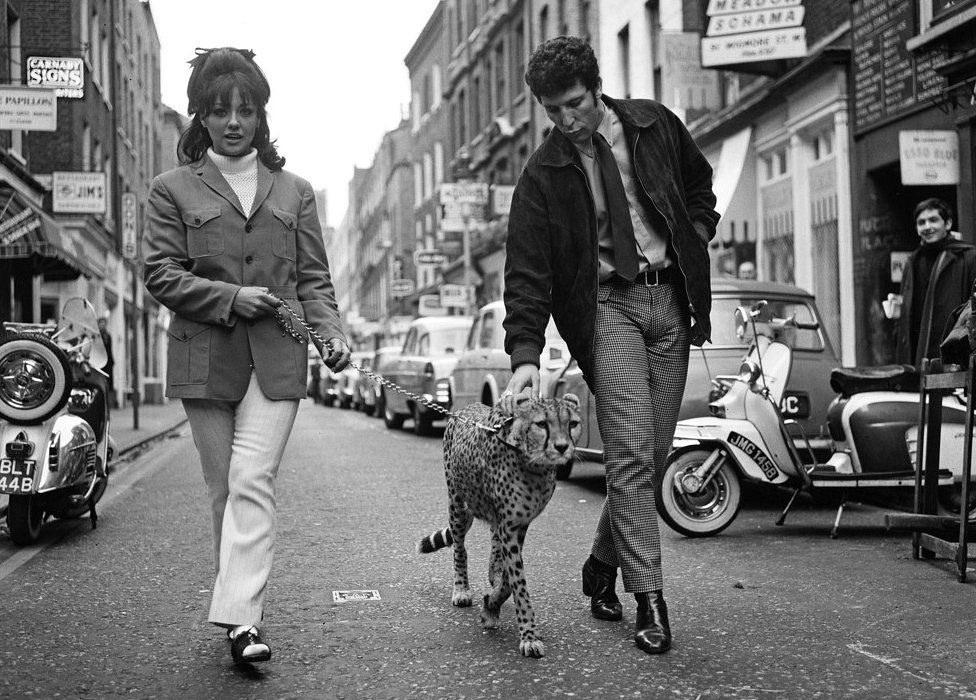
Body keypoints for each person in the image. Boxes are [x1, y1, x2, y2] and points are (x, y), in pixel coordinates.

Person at [501, 37, 718, 655]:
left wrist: (693, 239)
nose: (567, 120)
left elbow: (701, 188)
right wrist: (523, 354)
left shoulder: (653, 124)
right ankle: (649, 597)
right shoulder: (542, 174)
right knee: (628, 453)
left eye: (574, 104)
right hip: (607, 308)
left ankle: (601, 566)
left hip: (670, 303)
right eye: (553, 111)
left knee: (648, 451)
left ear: (597, 88)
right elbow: (527, 272)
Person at [142, 47, 350, 665]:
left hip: (279, 358)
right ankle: (238, 608)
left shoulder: (296, 191)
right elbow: (159, 273)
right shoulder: (170, 190)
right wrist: (233, 297)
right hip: (205, 356)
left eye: (247, 110)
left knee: (252, 480)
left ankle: (242, 623)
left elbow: (314, 279)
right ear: (200, 117)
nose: (235, 121)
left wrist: (331, 333)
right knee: (221, 490)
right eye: (220, 110)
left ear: (262, 116)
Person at [894, 198, 976, 367]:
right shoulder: (912, 262)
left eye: (933, 220)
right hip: (918, 353)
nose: (927, 227)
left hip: (952, 351)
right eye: (921, 222)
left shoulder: (967, 256)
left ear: (947, 224)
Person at [97, 317, 115, 408]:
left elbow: (109, 350)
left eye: (104, 324)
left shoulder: (108, 336)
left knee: (108, 385)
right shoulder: (96, 336)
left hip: (108, 364)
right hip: (99, 364)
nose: (102, 325)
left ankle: (108, 404)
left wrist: (111, 362)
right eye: (101, 323)